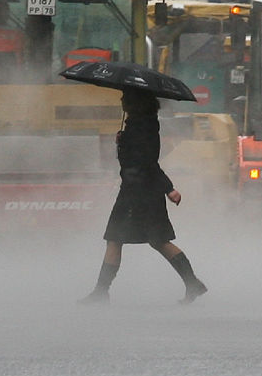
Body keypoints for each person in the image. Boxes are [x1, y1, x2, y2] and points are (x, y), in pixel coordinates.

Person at [79, 88, 207, 305]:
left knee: (119, 239)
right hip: (139, 190)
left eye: (125, 97)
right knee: (154, 240)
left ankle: (101, 292)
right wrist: (122, 142)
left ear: (134, 103)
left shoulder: (141, 128)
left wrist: (169, 188)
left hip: (138, 193)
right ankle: (192, 283)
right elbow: (137, 161)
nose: (121, 100)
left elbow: (147, 163)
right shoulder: (142, 125)